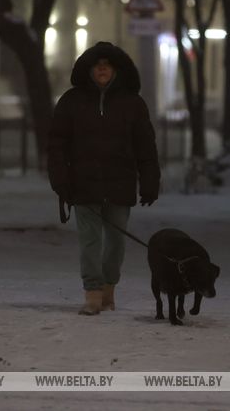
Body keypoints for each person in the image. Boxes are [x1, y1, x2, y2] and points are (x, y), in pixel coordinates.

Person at [48, 41, 161, 315]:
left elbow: (146, 146)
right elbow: (56, 144)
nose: (102, 69)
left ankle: (108, 288)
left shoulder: (133, 104)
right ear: (88, 70)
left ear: (117, 70)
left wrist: (149, 181)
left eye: (107, 65)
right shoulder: (71, 102)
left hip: (120, 183)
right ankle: (93, 294)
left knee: (115, 242)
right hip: (83, 184)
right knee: (89, 241)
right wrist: (60, 180)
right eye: (97, 66)